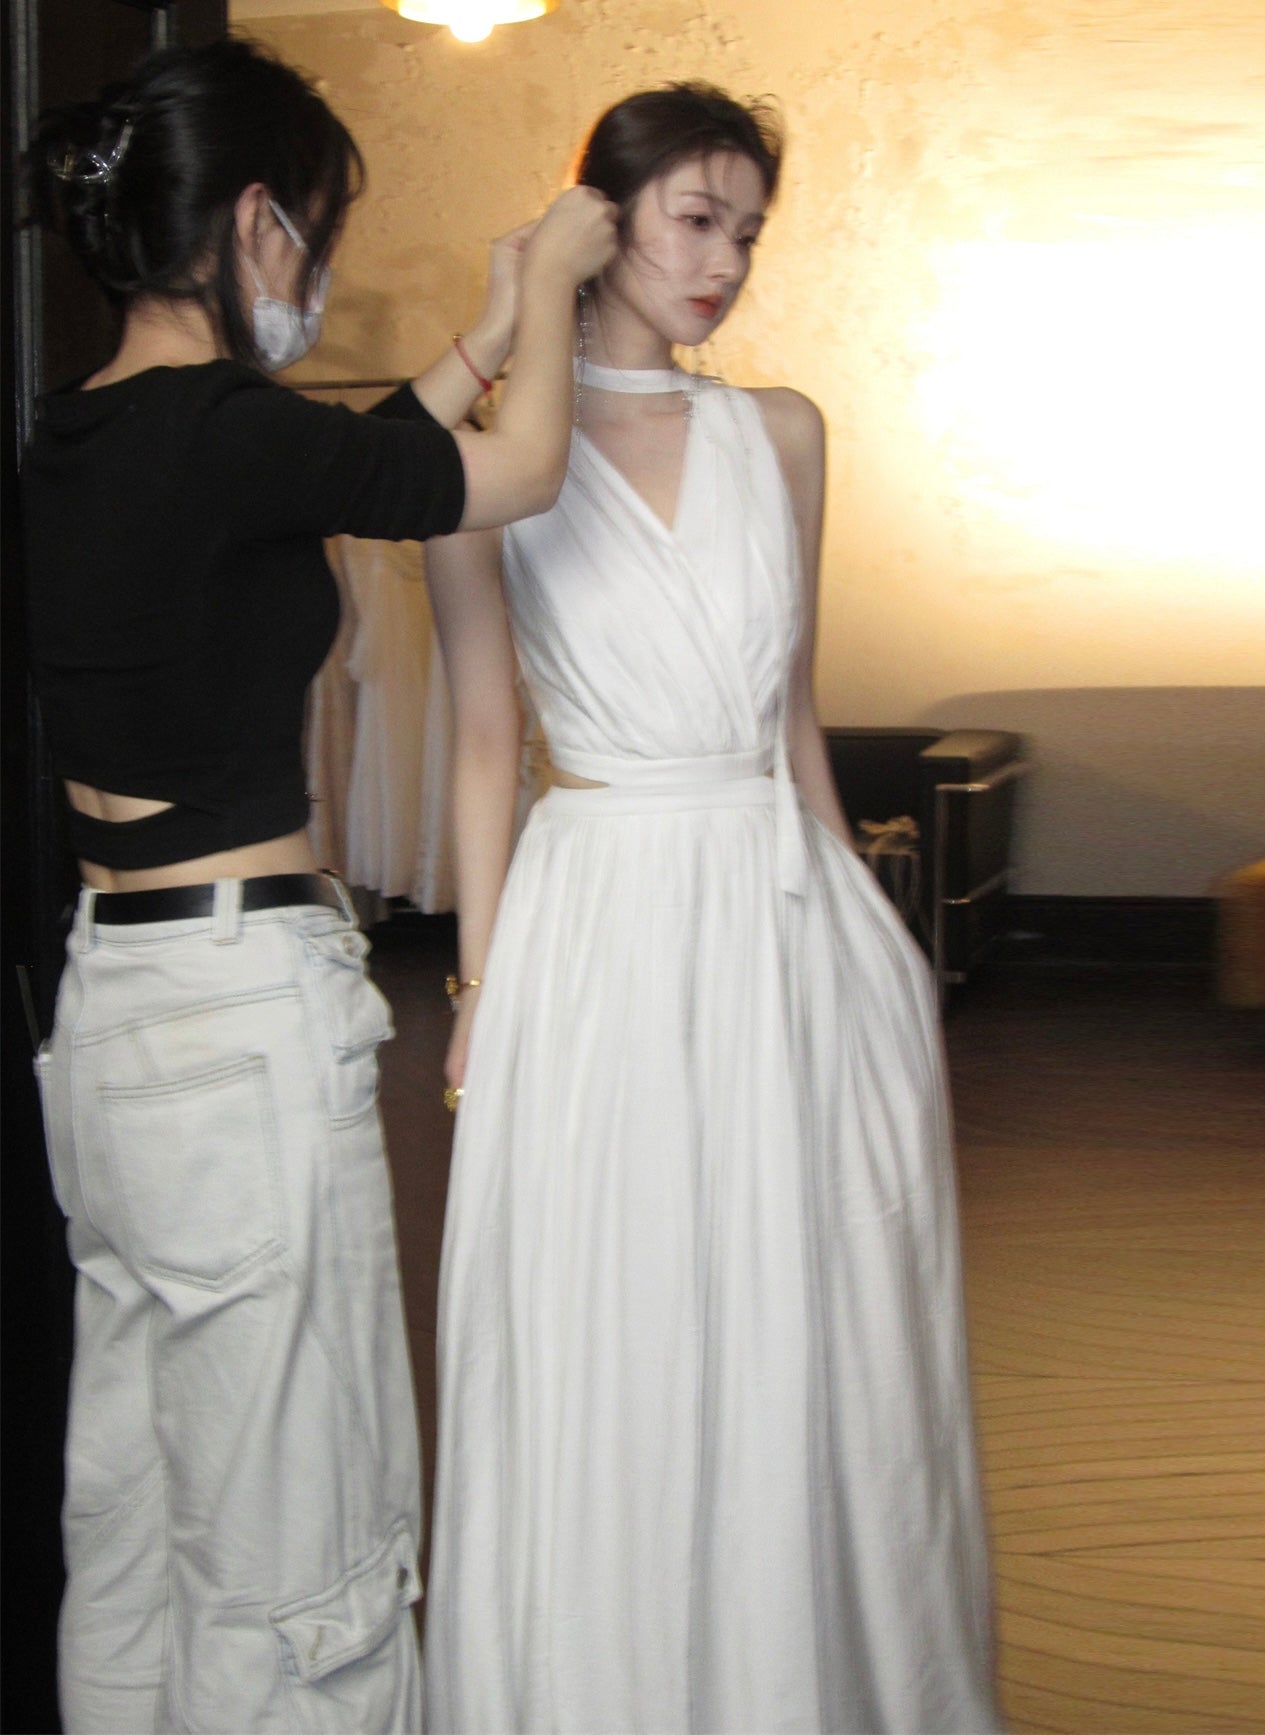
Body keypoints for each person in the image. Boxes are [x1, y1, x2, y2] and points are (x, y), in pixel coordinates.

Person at [21, 36, 615, 1734]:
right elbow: (517, 474)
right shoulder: (226, 433)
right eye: (319, 234)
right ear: (257, 223)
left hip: (114, 1005)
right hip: (235, 1018)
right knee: (299, 1540)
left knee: (133, 1512)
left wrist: (479, 335)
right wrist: (552, 290)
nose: (321, 275)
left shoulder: (86, 434)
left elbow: (343, 463)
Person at [422, 83, 1001, 1733]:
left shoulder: (784, 434)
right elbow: (482, 744)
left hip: (778, 917)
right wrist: (478, 998)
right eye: (694, 219)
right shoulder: (486, 466)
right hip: (596, 922)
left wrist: (877, 946)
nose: (726, 261)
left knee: (802, 1319)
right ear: (601, 219)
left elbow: (791, 715)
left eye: (747, 230)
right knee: (620, 1316)